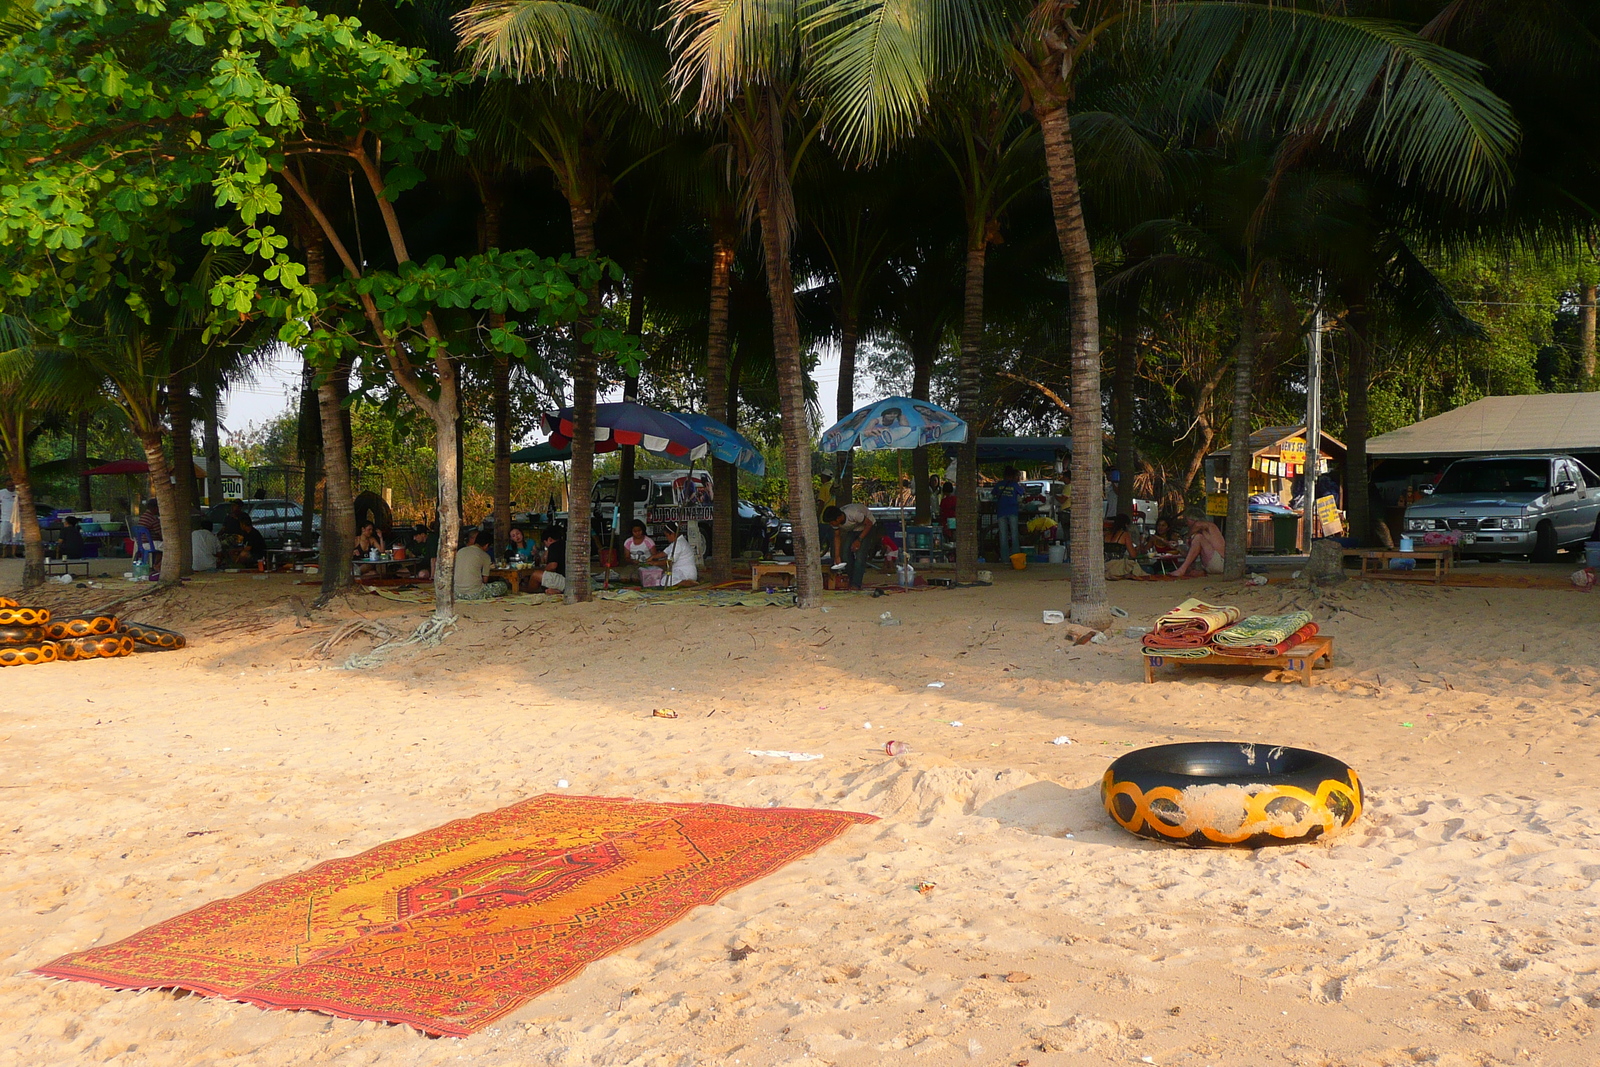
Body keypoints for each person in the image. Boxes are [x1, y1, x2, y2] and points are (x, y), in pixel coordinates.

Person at [822, 502, 883, 591]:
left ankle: (856, 584)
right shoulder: (836, 523)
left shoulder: (853, 513)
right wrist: (837, 556)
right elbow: (837, 537)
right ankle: (852, 579)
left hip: (867, 527)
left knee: (860, 557)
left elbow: (869, 524)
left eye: (832, 522)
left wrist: (859, 540)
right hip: (853, 529)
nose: (832, 524)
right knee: (846, 554)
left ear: (838, 518)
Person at [455, 529, 510, 600]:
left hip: (457, 593)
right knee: (503, 585)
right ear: (486, 545)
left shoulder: (461, 551)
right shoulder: (485, 556)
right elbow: (485, 580)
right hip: (474, 594)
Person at [993, 467, 1023, 561]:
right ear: (1013, 475)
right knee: (1014, 535)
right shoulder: (1015, 485)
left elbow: (993, 494)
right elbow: (1022, 493)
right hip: (1013, 511)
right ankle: (1016, 559)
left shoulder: (999, 484)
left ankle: (1004, 559)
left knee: (1003, 536)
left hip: (1001, 512)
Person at [538, 526, 567, 593]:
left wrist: (543, 571)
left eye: (545, 543)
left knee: (535, 575)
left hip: (564, 580)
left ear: (550, 540)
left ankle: (528, 591)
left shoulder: (554, 546)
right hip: (569, 579)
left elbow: (552, 566)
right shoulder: (565, 544)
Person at [0, 481, 14, 558]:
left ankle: (13, 554)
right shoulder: (2, 492)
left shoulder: (18, 492)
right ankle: (4, 553)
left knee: (15, 538)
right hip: (5, 518)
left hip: (16, 520)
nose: (10, 488)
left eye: (12, 486)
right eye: (8, 486)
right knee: (4, 536)